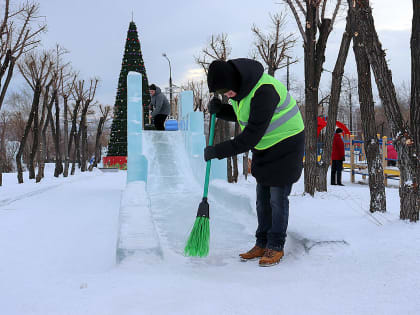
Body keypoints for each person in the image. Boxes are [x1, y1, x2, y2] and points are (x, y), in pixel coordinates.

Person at [204, 58, 305, 267]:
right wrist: (221, 110)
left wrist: (218, 151)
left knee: (277, 199)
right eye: (225, 94)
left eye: (228, 92)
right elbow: (246, 114)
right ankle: (262, 243)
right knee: (262, 199)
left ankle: (276, 245)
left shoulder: (264, 91)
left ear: (235, 82)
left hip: (286, 145)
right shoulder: (241, 88)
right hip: (266, 146)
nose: (228, 96)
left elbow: (250, 136)